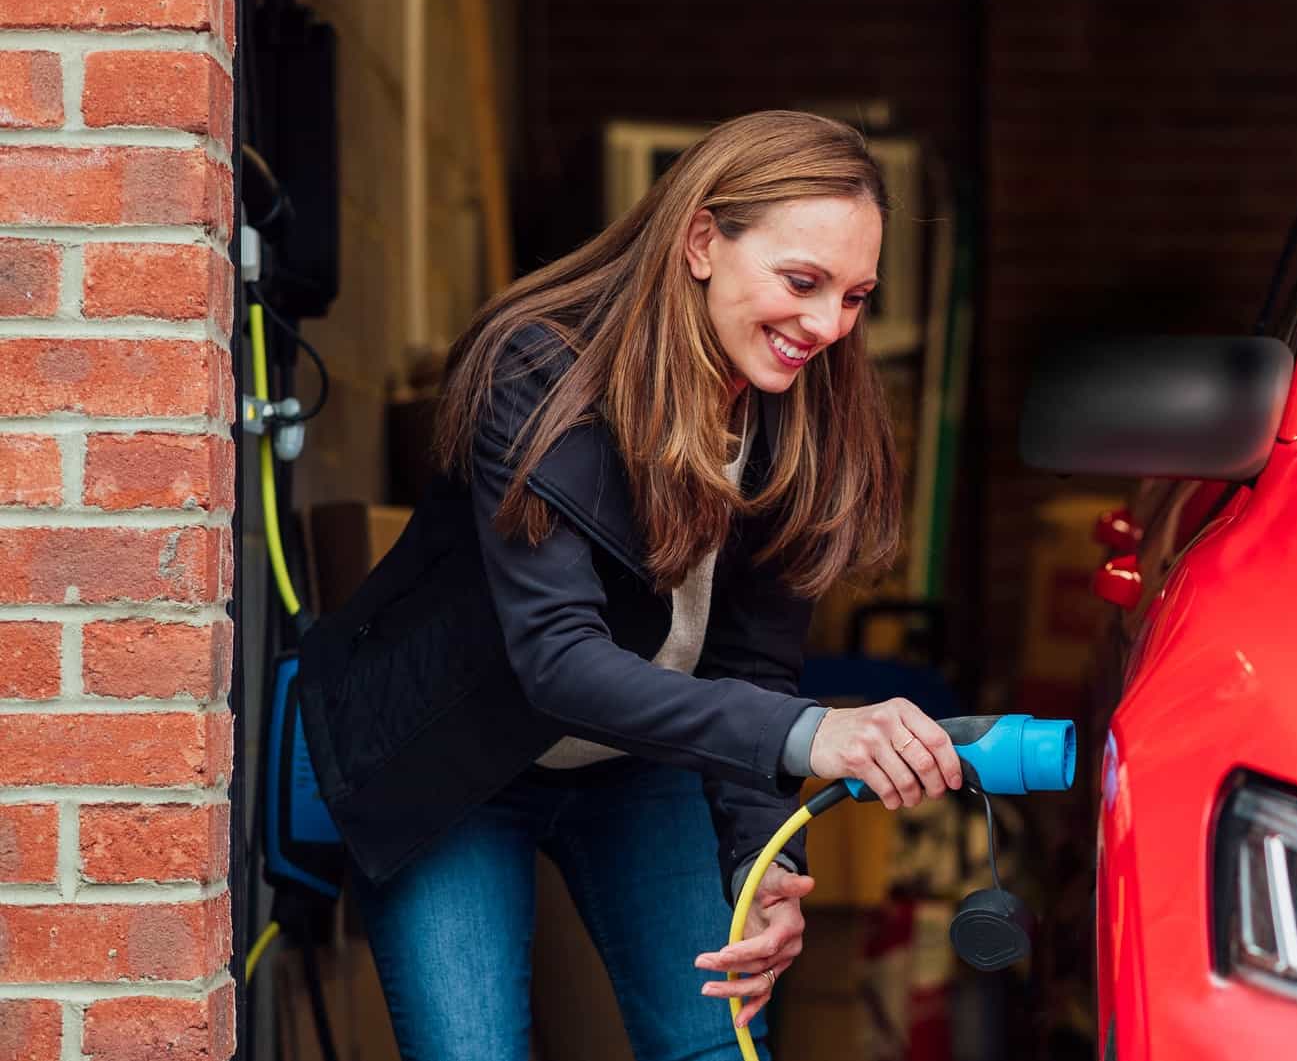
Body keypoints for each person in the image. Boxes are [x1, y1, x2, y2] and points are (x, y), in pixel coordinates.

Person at [293, 110, 963, 1061]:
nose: (827, 326)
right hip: (455, 757)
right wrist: (816, 732)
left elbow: (751, 664)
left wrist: (763, 858)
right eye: (802, 282)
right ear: (702, 241)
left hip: (641, 760)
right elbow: (559, 662)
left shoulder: (798, 412)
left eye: (855, 296)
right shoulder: (539, 369)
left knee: (715, 1045)